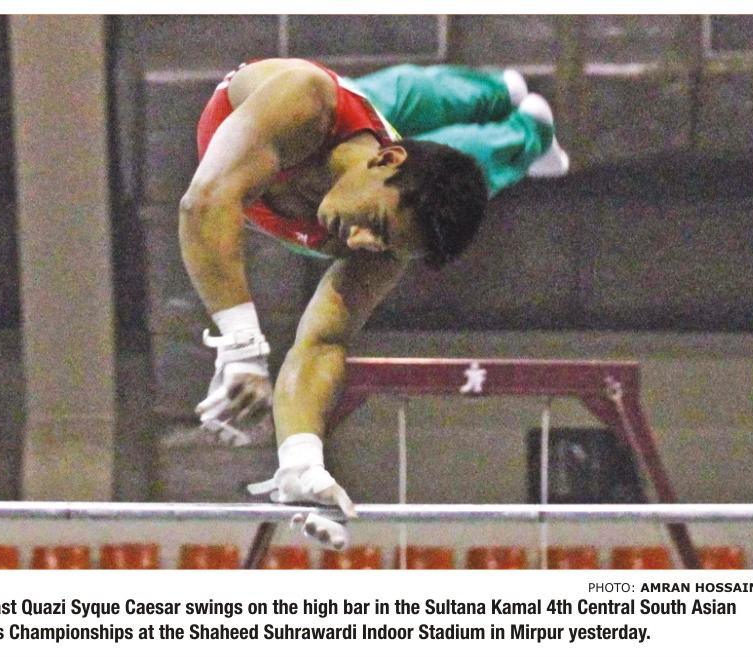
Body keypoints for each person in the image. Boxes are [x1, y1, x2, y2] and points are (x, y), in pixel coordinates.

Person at [179, 58, 567, 548]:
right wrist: (241, 348)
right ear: (385, 161)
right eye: (377, 226)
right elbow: (203, 202)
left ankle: (532, 132)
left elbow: (322, 342)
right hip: (338, 116)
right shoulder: (303, 101)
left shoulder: (383, 243)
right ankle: (496, 91)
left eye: (384, 243)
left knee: (469, 170)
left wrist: (301, 461)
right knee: (411, 91)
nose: (361, 243)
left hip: (370, 152)